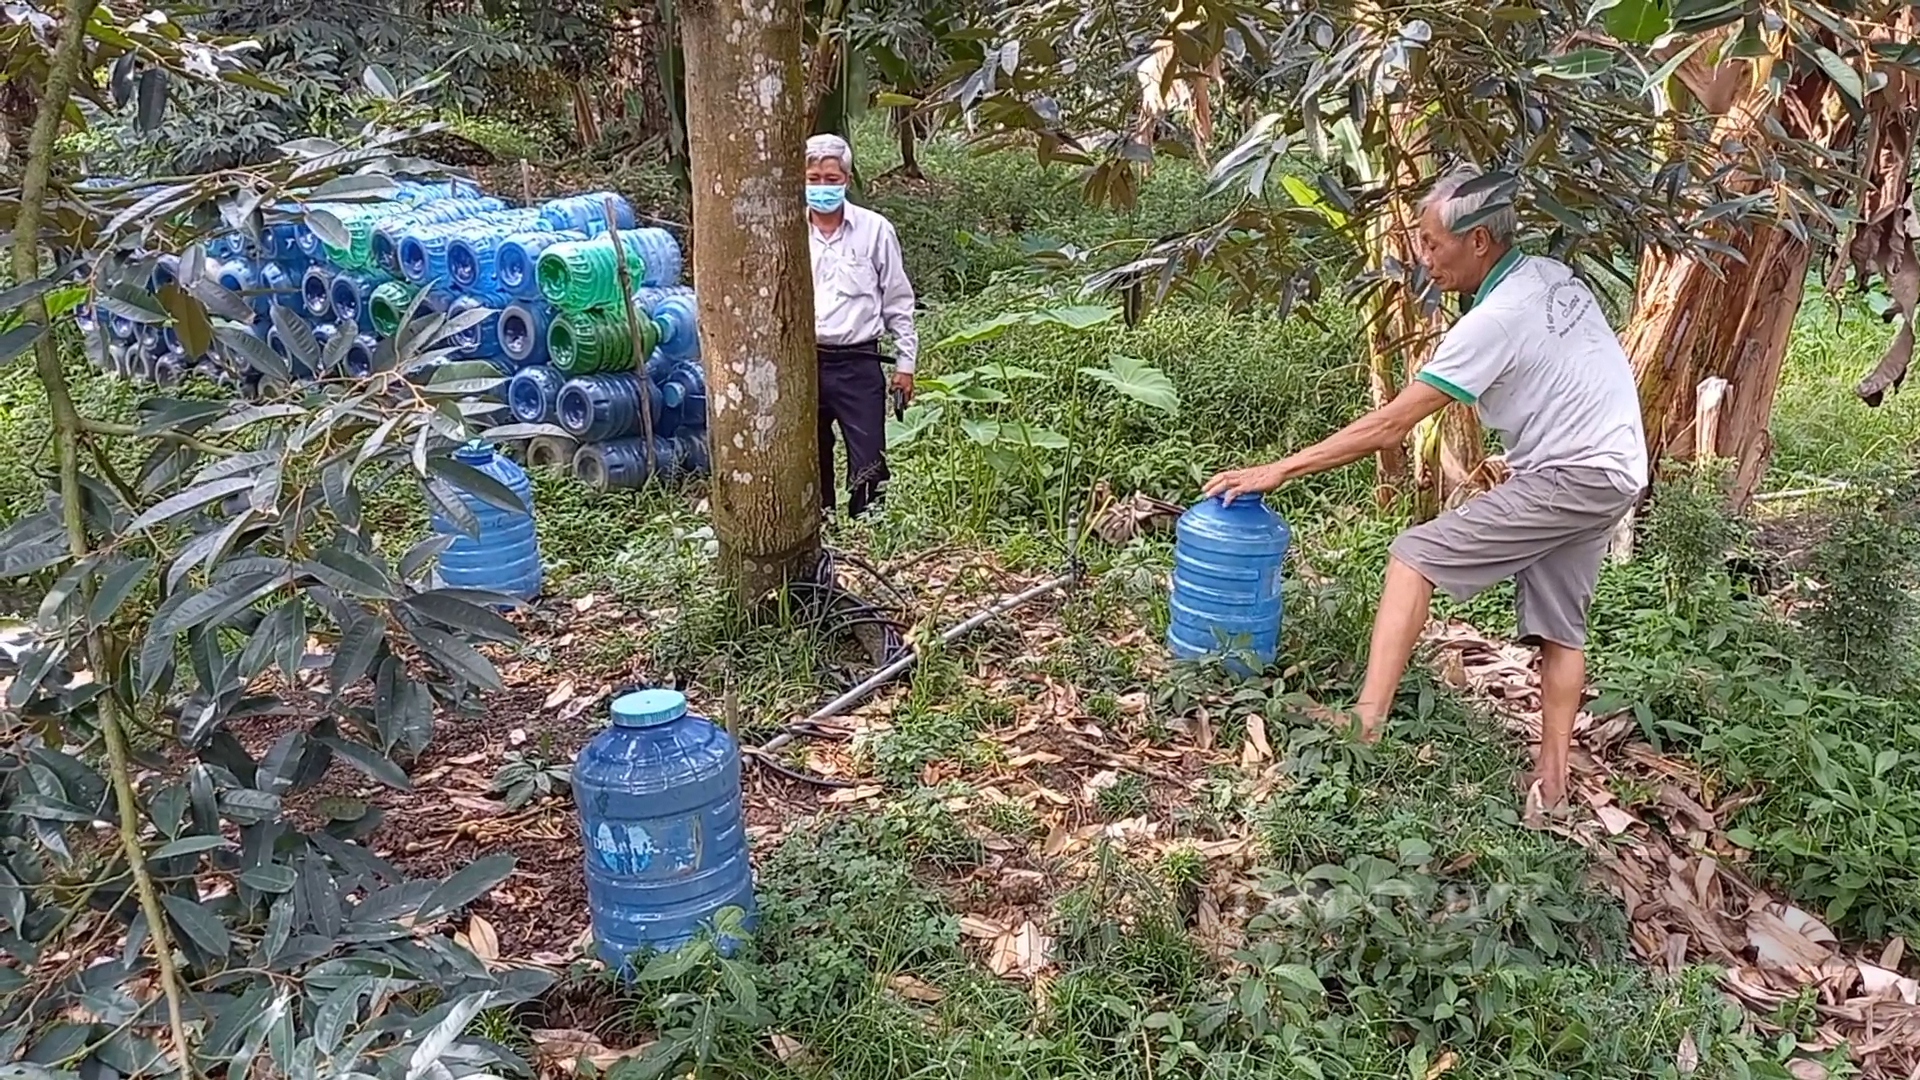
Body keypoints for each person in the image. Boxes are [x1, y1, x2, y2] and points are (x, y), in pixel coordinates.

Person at [1202, 163, 1648, 812]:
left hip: (1573, 473)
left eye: (1434, 244)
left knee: (1413, 557)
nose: (1423, 258)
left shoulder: (1494, 320)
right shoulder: (1548, 276)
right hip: (1616, 470)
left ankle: (1367, 721)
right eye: (1420, 240)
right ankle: (1552, 786)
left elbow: (1391, 426)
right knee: (1561, 631)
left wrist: (1277, 470)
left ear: (1480, 243)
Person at [804, 133, 919, 518]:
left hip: (860, 362)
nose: (823, 186)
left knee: (870, 455)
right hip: (805, 363)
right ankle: (822, 524)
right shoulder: (787, 233)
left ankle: (869, 527)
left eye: (832, 179)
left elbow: (898, 301)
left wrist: (906, 365)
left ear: (847, 180)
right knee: (810, 452)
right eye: (815, 178)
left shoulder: (875, 230)